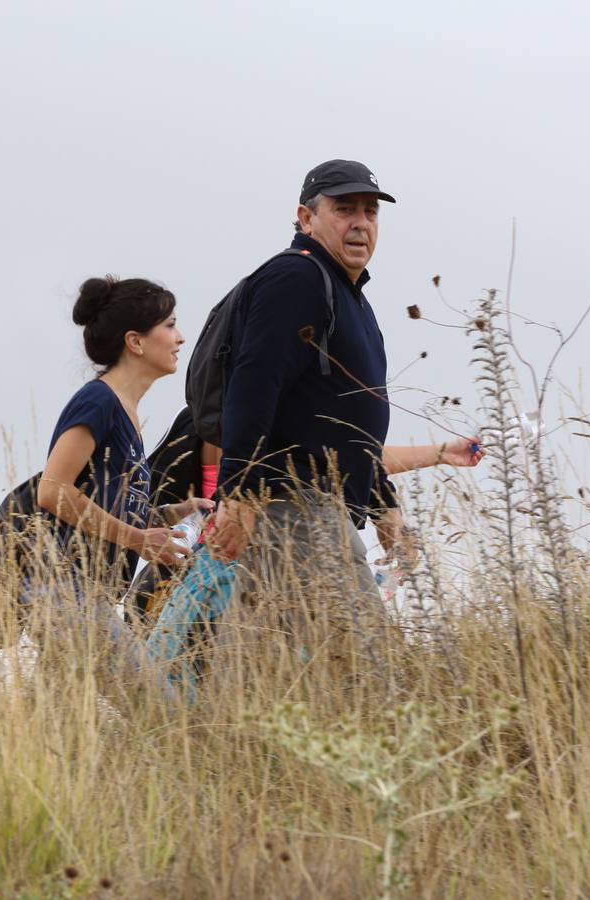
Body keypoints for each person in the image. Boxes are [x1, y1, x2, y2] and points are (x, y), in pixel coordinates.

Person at [187, 159, 481, 687]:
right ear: (306, 217)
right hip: (296, 510)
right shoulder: (297, 276)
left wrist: (384, 507)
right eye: (344, 209)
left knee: (255, 686)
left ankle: (224, 758)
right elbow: (256, 384)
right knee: (370, 677)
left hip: (309, 512)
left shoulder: (349, 298)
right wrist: (239, 494)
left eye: (370, 211)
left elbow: (344, 426)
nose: (361, 223)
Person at [29, 275, 211, 688]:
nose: (180, 338)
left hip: (84, 599)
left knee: (64, 737)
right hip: (65, 595)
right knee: (163, 716)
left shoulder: (126, 413)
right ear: (136, 342)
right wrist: (137, 539)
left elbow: (108, 503)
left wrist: (172, 513)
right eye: (169, 325)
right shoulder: (99, 401)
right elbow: (54, 490)